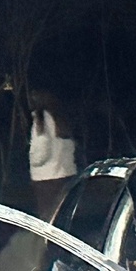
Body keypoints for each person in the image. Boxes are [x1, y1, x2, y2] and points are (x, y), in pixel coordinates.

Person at [28, 90, 78, 218]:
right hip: (66, 173)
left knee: (48, 215)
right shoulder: (61, 117)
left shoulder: (42, 118)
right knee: (63, 214)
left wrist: (32, 160)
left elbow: (42, 146)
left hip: (45, 177)